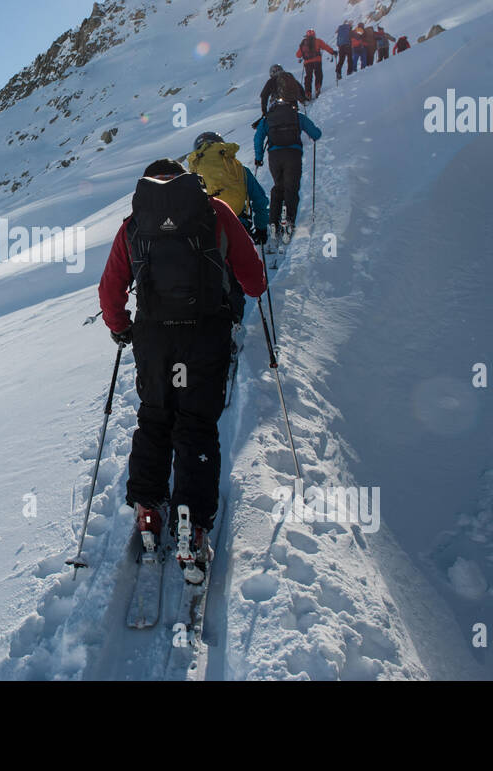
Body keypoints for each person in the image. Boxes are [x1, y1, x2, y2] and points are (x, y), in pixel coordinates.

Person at [98, 158, 267, 584]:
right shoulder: (214, 212)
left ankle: (150, 510)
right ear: (186, 179)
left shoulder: (134, 224)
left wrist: (121, 328)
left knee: (155, 417)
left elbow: (110, 288)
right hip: (203, 336)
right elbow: (253, 279)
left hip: (154, 339)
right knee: (196, 423)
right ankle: (192, 523)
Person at [253, 95, 322, 246]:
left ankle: (273, 223)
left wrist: (258, 158)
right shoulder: (296, 116)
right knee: (291, 189)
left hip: (275, 156)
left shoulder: (267, 119)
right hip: (293, 155)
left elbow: (258, 138)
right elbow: (316, 134)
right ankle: (289, 223)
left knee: (278, 187)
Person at [295, 29, 336, 100]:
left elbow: (298, 55)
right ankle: (317, 88)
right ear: (314, 35)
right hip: (317, 61)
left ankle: (308, 93)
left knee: (308, 77)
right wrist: (333, 52)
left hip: (307, 63)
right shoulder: (318, 41)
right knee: (318, 74)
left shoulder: (303, 43)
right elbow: (326, 47)